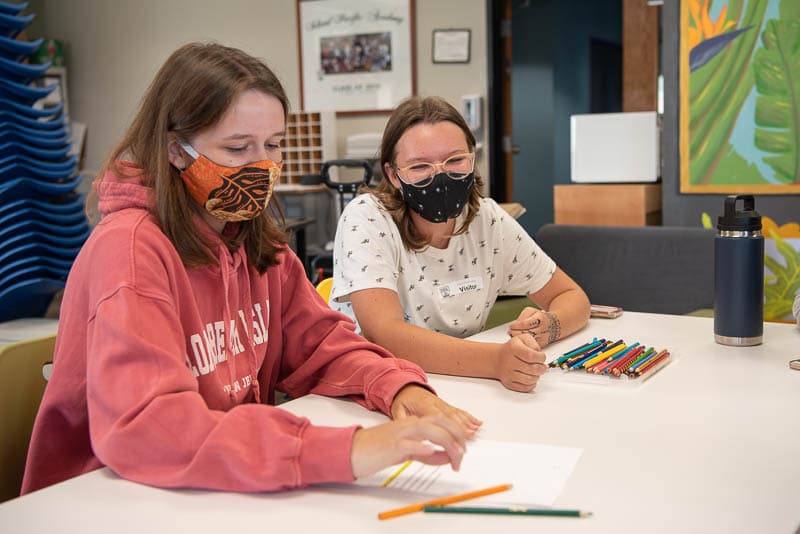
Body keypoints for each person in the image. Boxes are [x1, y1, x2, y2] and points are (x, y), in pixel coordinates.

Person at [22, 43, 481, 495]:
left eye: (273, 145)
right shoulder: (130, 251)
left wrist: (398, 388)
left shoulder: (254, 239)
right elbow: (150, 426)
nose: (261, 167)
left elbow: (322, 344)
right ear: (176, 150)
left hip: (223, 480)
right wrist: (348, 449)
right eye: (238, 147)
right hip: (109, 496)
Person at [330, 96, 590, 393]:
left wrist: (548, 326)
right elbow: (385, 335)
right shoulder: (366, 218)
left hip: (461, 384)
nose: (440, 176)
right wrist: (495, 362)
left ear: (472, 158)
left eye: (455, 161)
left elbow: (573, 296)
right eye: (419, 166)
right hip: (376, 388)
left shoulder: (486, 218)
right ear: (392, 175)